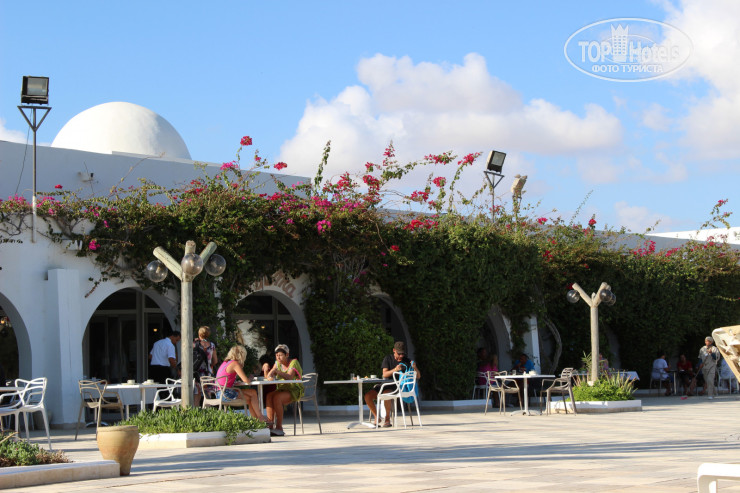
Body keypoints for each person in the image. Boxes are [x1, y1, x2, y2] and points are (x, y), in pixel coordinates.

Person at [363, 341, 420, 427]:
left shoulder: (407, 361)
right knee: (367, 396)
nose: (401, 356)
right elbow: (385, 374)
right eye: (399, 354)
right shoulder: (388, 359)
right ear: (394, 350)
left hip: (397, 386)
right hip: (384, 384)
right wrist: (395, 370)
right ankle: (377, 417)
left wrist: (415, 367)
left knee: (387, 394)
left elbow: (418, 376)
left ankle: (387, 419)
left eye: (403, 354)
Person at [214, 345, 271, 423]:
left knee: (252, 394)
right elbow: (246, 380)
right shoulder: (235, 364)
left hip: (219, 392)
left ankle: (258, 420)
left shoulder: (226, 362)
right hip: (225, 393)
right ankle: (260, 418)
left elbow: (226, 378)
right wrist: (251, 377)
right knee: (251, 396)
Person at [265, 344, 304, 437]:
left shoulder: (294, 362)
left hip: (294, 390)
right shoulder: (277, 363)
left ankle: (279, 427)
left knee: (277, 397)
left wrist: (277, 371)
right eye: (277, 355)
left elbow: (289, 376)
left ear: (287, 355)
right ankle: (270, 425)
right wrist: (267, 369)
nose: (278, 357)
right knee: (269, 396)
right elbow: (269, 376)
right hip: (282, 389)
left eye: (281, 355)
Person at [193, 326, 218, 406]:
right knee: (207, 393)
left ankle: (195, 412)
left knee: (197, 394)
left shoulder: (194, 344)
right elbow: (215, 360)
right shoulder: (212, 345)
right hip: (208, 372)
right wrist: (210, 366)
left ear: (199, 334)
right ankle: (207, 411)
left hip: (196, 372)